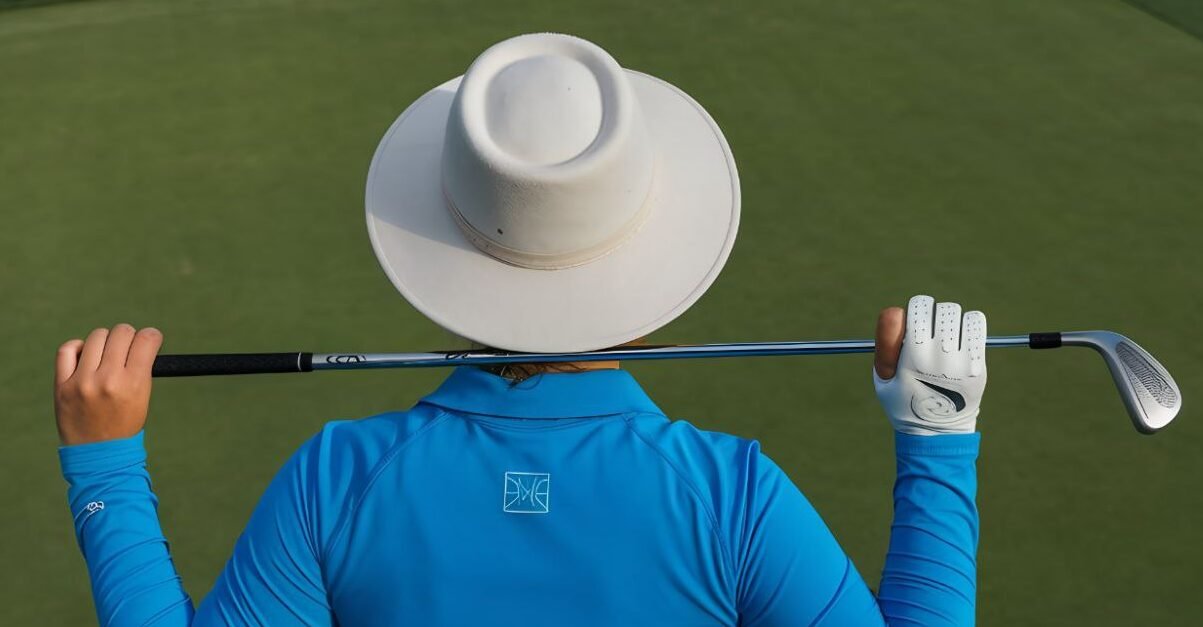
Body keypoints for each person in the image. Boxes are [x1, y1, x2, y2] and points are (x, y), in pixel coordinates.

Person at [54, 33, 985, 626]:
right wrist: (936, 443)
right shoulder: (732, 494)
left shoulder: (334, 480)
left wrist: (106, 465)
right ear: (652, 261)